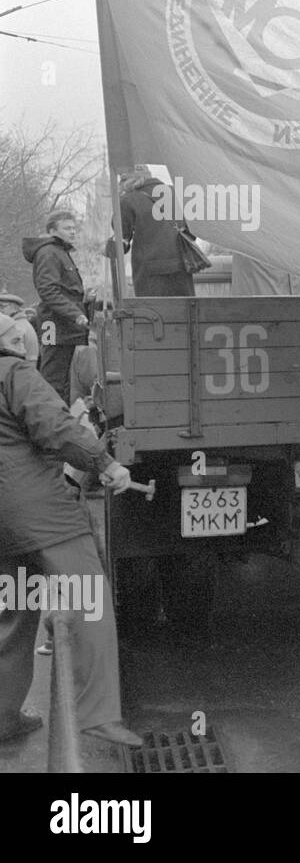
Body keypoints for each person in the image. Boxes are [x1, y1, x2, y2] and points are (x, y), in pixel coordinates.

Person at [0, 312, 142, 746]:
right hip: (43, 516)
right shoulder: (13, 372)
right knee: (91, 602)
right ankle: (97, 713)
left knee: (13, 615)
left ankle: (4, 717)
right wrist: (105, 463)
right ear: (18, 343)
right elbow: (57, 428)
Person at [22, 209, 88, 405]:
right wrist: (75, 314)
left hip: (61, 325)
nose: (73, 232)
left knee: (61, 379)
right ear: (52, 231)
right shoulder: (49, 253)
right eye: (67, 228)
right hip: (54, 324)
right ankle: (49, 422)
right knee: (52, 378)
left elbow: (64, 290)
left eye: (74, 228)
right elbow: (48, 290)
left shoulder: (59, 252)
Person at [119, 168, 196, 297]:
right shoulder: (176, 192)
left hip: (149, 272)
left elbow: (122, 239)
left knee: (153, 313)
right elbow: (192, 232)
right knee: (184, 313)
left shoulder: (128, 200)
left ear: (126, 180)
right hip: (181, 266)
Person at [0, 293, 38, 361]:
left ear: (15, 309)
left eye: (2, 306)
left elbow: (9, 357)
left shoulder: (15, 327)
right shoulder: (23, 323)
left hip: (20, 367)